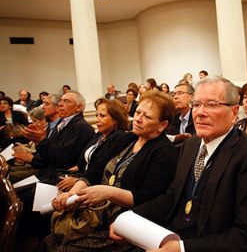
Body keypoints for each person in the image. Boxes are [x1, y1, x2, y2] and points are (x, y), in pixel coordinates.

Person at [110, 76, 247, 252]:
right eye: (196, 105)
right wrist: (130, 217)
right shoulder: (190, 145)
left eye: (211, 105)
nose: (200, 112)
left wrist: (181, 248)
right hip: (168, 236)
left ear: (234, 112)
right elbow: (172, 197)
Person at [46, 91, 178, 251]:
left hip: (123, 222)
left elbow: (149, 197)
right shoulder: (128, 139)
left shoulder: (164, 152)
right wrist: (72, 193)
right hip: (96, 213)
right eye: (137, 112)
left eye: (147, 117)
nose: (138, 119)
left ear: (162, 125)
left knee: (63, 247)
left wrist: (109, 192)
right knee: (51, 239)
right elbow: (94, 170)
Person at [56, 98, 132, 192]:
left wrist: (77, 181)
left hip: (93, 186)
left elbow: (99, 169)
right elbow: (82, 163)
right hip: (81, 178)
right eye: (97, 115)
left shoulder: (120, 137)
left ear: (116, 119)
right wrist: (67, 173)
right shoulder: (100, 134)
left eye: (102, 116)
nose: (97, 120)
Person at [22, 91, 95, 184]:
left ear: (78, 107)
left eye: (66, 101)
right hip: (50, 173)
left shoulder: (81, 127)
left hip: (63, 178)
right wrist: (38, 142)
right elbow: (49, 155)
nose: (60, 104)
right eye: (60, 101)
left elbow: (64, 159)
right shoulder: (62, 124)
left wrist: (41, 140)